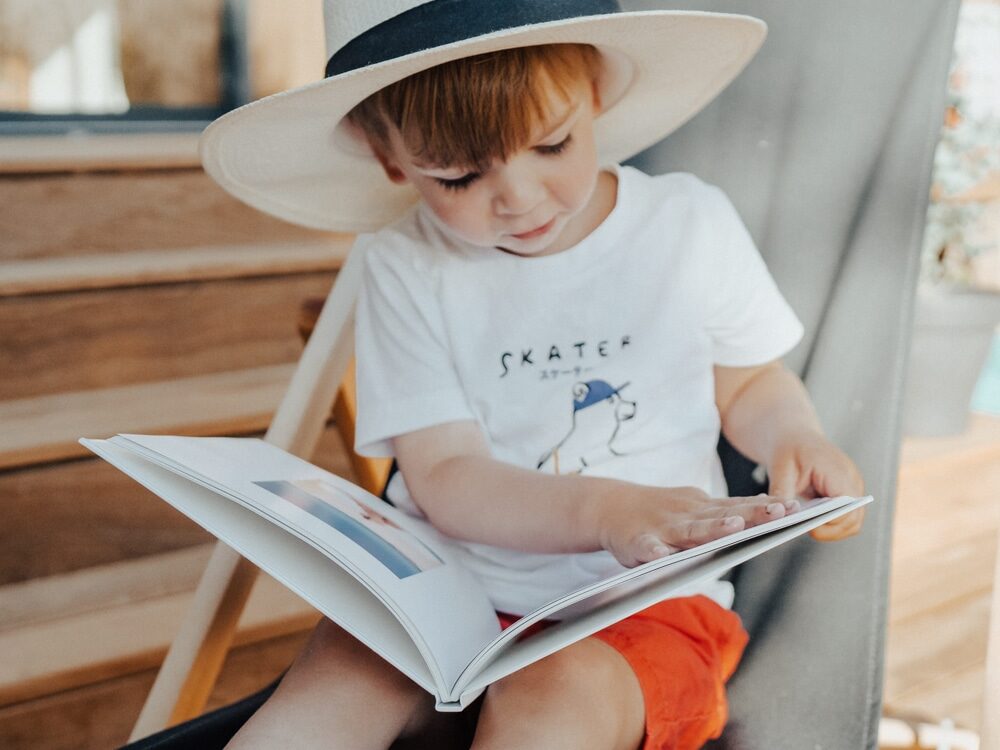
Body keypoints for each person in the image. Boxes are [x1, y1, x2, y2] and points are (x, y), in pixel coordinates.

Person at [204, 3, 867, 748]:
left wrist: (796, 435)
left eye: (551, 145)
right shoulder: (406, 264)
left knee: (553, 696)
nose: (518, 198)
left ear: (593, 93)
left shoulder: (686, 226)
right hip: (443, 592)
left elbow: (748, 385)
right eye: (457, 176)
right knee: (323, 702)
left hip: (645, 605)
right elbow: (446, 473)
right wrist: (608, 510)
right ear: (389, 158)